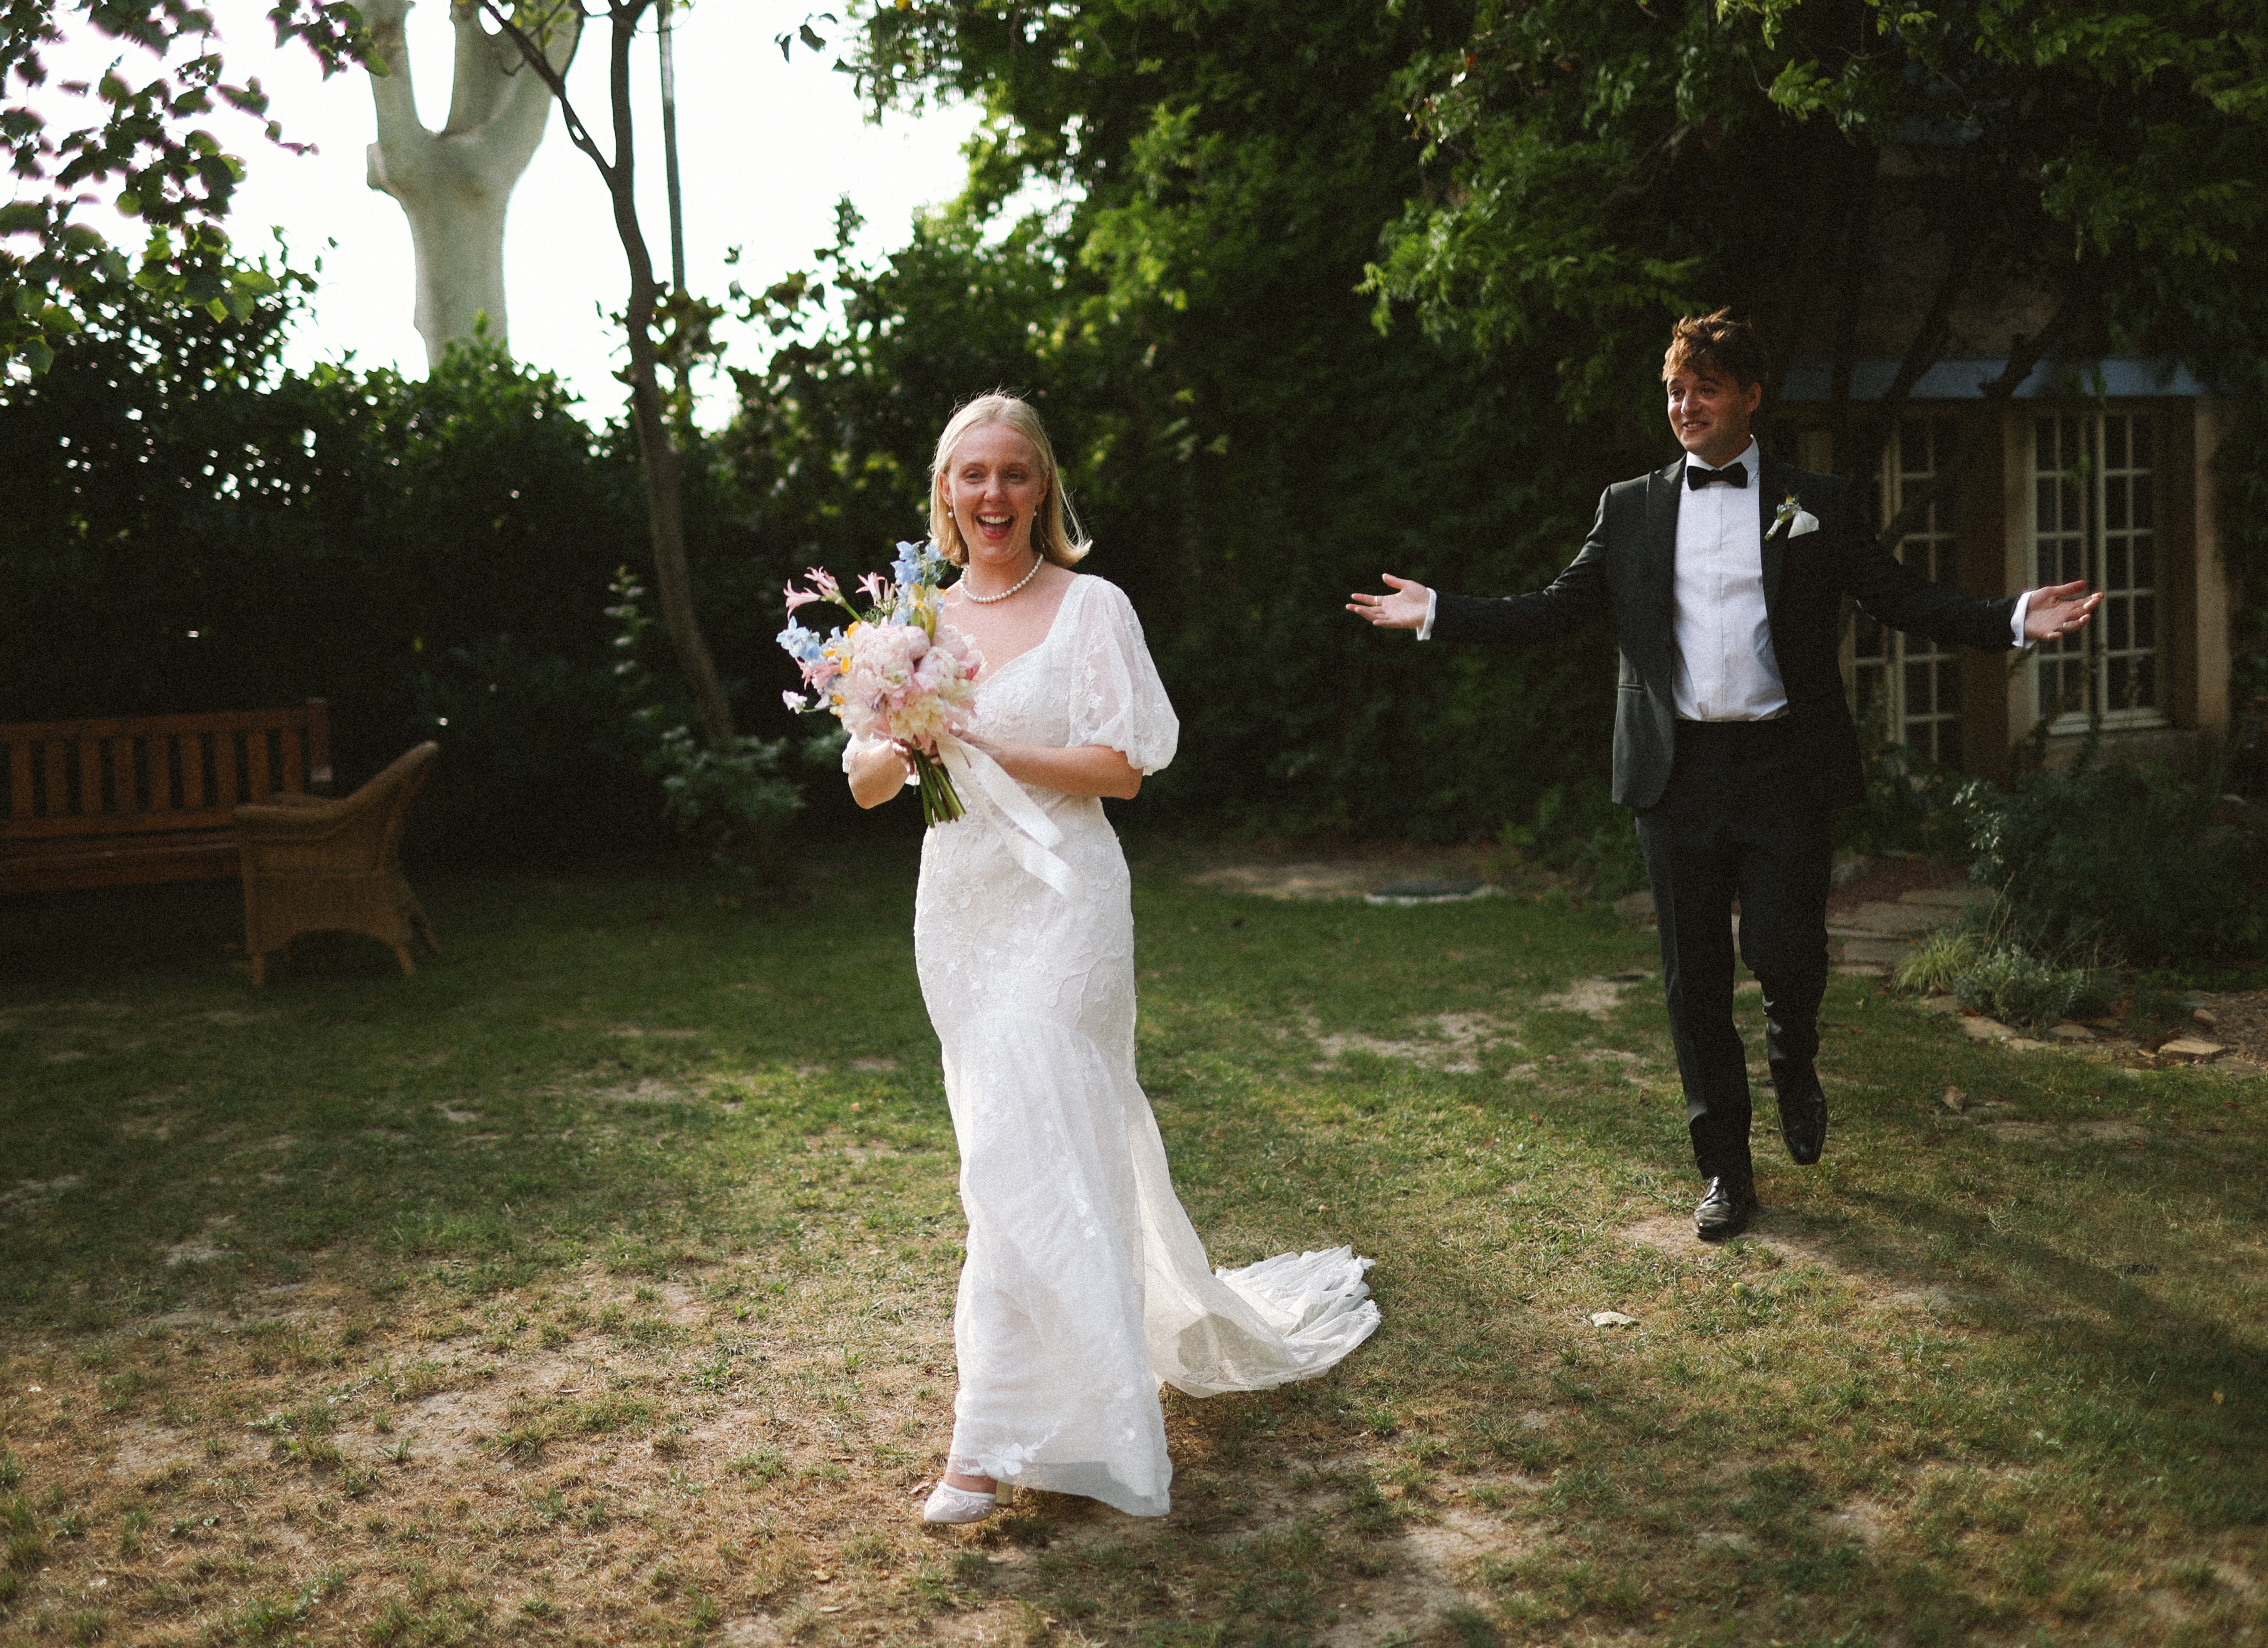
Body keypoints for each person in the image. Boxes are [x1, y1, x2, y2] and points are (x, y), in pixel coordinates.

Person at [1347, 312, 2100, 1241]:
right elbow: (1553, 611)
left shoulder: (1813, 498)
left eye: (1703, 388)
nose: (1684, 404)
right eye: (1673, 389)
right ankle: (1727, 1172)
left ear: (1750, 395)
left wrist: (2015, 615)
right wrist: (1440, 613)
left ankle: (1795, 1053)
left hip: (1785, 763)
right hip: (1676, 773)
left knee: (1787, 954)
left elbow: (1902, 598)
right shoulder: (1629, 507)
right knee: (1692, 982)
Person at [849, 392, 1380, 1524]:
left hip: (1065, 909)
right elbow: (861, 780)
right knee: (1012, 1146)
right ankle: (1062, 1395)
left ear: (1043, 490)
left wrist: (987, 738)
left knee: (1017, 1151)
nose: (992, 495)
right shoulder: (913, 623)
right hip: (961, 909)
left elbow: (1123, 768)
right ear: (943, 495)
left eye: (1013, 474)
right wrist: (902, 735)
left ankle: (987, 1444)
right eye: (971, 476)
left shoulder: (1092, 607)